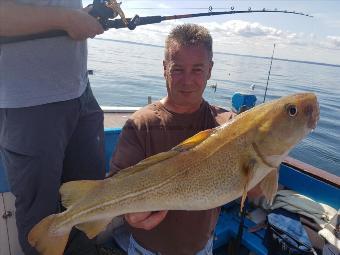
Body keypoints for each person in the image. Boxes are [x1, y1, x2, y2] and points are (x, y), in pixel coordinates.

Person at [110, 23, 236, 255]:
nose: (187, 81)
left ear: (210, 69)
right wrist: (129, 214)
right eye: (178, 69)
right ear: (165, 68)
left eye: (197, 69)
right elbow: (117, 185)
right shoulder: (141, 124)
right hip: (145, 250)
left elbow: (257, 191)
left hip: (202, 248)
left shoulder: (227, 126)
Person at [0, 1, 105, 254]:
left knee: (89, 202)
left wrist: (80, 17)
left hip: (81, 92)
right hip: (29, 103)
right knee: (40, 216)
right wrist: (66, 20)